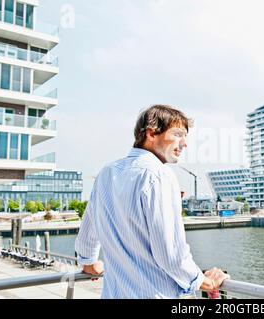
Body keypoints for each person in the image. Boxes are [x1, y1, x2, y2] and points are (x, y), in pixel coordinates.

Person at [75, 105, 229, 299]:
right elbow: (171, 255)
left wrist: (88, 262)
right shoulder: (159, 175)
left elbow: (88, 232)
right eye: (178, 135)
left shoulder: (106, 172)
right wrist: (206, 282)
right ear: (151, 134)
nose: (184, 144)